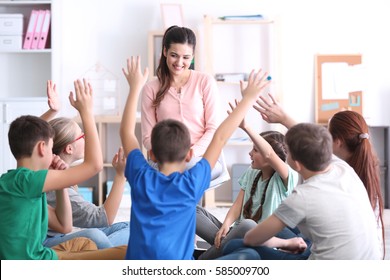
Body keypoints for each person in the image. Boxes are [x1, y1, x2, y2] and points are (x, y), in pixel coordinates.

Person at [120, 56, 270, 259]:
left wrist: (134, 88)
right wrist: (248, 99)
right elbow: (219, 138)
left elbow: (127, 133)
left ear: (152, 154)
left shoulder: (140, 176)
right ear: (190, 154)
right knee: (250, 256)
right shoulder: (190, 183)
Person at [0, 79, 126, 259]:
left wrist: (60, 183)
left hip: (46, 256)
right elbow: (94, 165)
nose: (54, 155)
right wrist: (86, 112)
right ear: (42, 148)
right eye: (52, 148)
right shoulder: (27, 181)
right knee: (123, 252)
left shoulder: (14, 183)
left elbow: (64, 226)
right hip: (39, 262)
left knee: (94, 241)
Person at [256, 93, 385, 257]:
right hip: (370, 256)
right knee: (279, 228)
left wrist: (283, 118)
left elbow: (310, 140)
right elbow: (310, 138)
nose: (322, 137)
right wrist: (283, 118)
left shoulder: (340, 173)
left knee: (261, 236)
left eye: (327, 132)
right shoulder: (354, 169)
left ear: (337, 142)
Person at [196, 99, 302, 259]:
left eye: (255, 150)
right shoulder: (251, 172)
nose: (250, 154)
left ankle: (203, 261)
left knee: (249, 225)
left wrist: (246, 126)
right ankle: (225, 246)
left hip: (262, 241)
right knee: (190, 209)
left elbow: (270, 153)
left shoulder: (286, 178)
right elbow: (238, 204)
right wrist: (225, 226)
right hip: (237, 234)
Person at [141, 25, 223, 179]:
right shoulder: (150, 88)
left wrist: (190, 154)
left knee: (189, 172)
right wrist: (168, 158)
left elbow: (213, 129)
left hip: (200, 156)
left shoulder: (205, 81)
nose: (179, 62)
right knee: (157, 176)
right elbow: (147, 137)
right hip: (163, 159)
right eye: (174, 55)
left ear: (192, 56)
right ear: (164, 52)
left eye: (186, 57)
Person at [44, 117, 130, 249]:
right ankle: (110, 254)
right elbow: (103, 218)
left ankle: (107, 250)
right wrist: (120, 175)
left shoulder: (54, 173)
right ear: (69, 149)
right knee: (95, 235)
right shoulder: (57, 185)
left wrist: (53, 111)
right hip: (48, 242)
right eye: (82, 136)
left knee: (129, 227)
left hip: (59, 235)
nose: (85, 139)